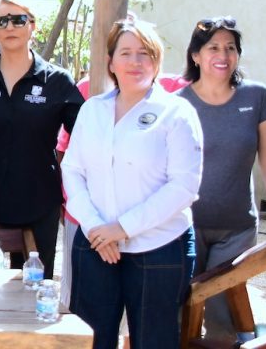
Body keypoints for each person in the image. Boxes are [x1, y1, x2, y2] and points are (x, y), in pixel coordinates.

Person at [63, 18, 202, 349]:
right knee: (91, 340)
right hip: (95, 244)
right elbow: (72, 170)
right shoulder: (92, 110)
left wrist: (122, 228)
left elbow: (183, 187)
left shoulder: (176, 113)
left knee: (153, 341)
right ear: (111, 62)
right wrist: (97, 228)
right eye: (125, 53)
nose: (135, 62)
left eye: (144, 53)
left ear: (157, 60)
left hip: (160, 247)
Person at [177, 17, 266, 342]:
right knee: (179, 312)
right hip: (184, 228)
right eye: (213, 48)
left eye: (230, 48)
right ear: (196, 55)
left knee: (222, 317)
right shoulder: (178, 104)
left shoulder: (257, 97)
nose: (223, 55)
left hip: (236, 229)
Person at [0, 0, 81, 278]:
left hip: (39, 200)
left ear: (33, 26)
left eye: (18, 19)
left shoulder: (57, 81)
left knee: (35, 287)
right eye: (0, 21)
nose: (10, 27)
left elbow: (85, 135)